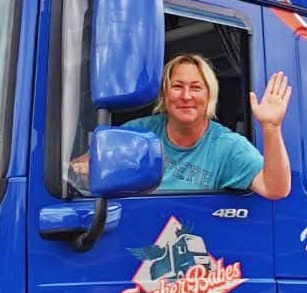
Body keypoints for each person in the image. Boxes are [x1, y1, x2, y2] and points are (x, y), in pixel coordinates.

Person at [121, 54, 292, 197]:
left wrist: (271, 127)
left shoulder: (227, 147)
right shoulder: (138, 134)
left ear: (210, 96)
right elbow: (94, 169)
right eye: (177, 86)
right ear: (164, 95)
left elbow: (275, 189)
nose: (186, 96)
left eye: (196, 88)